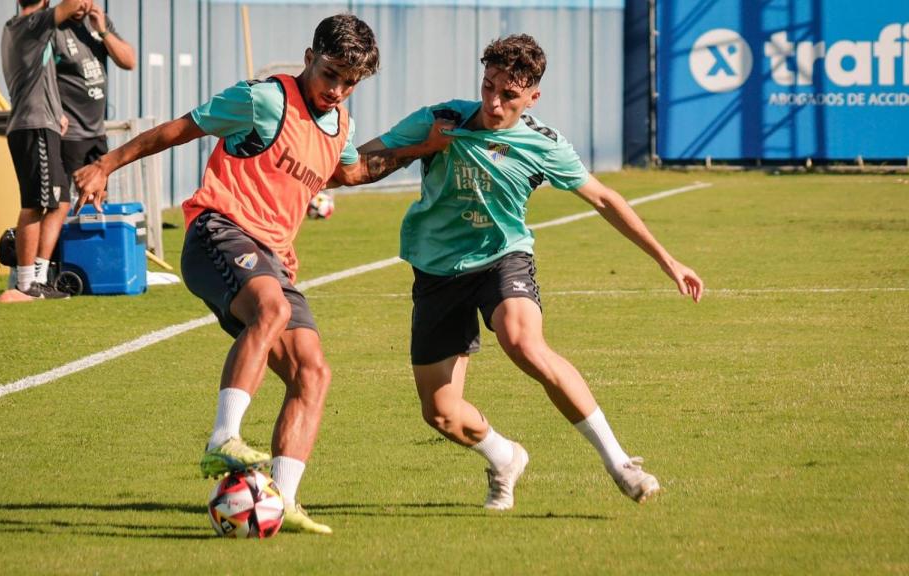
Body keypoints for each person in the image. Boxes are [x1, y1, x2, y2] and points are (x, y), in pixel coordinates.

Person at [73, 14, 452, 534]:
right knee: (271, 309)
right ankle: (222, 439)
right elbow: (178, 130)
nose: (337, 89)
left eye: (350, 81)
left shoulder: (341, 123)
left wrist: (421, 146)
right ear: (308, 57)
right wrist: (105, 165)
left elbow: (351, 171)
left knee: (313, 372)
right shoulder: (264, 99)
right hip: (217, 231)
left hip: (272, 257)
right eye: (330, 74)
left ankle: (283, 499)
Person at [358, 34, 704, 510]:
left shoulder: (543, 145)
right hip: (436, 271)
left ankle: (619, 461)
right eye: (488, 87)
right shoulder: (441, 120)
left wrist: (668, 260)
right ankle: (504, 456)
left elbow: (605, 199)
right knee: (440, 414)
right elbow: (360, 161)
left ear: (533, 97)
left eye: (509, 95)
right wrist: (424, 145)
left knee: (523, 342)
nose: (494, 102)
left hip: (502, 258)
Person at [0, 0, 85, 301]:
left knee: (60, 200)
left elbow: (40, 80)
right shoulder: (29, 24)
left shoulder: (31, 29)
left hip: (44, 124)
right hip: (32, 126)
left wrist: (57, 112)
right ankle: (25, 282)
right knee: (35, 204)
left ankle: (39, 276)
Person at [53, 0, 135, 193]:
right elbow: (38, 76)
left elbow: (129, 61)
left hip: (97, 132)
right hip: (69, 135)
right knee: (67, 202)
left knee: (98, 196)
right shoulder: (53, 26)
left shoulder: (98, 21)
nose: (82, 4)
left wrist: (103, 31)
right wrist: (55, 111)